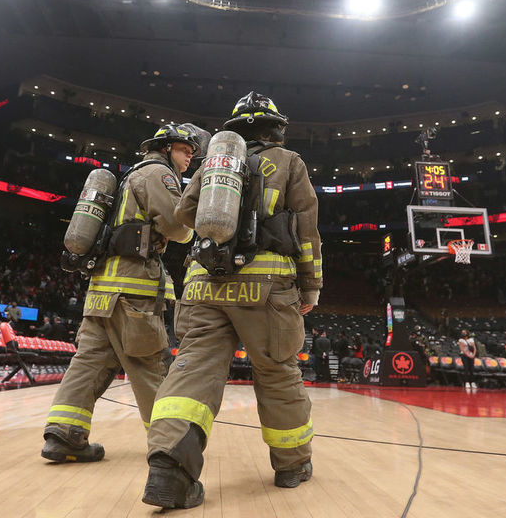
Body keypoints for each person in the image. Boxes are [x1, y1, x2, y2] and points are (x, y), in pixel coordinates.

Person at [143, 92, 322, 509]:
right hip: (268, 289)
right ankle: (291, 465)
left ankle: (170, 469)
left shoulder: (212, 162)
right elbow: (308, 235)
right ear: (276, 127)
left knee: (192, 370)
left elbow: (186, 214)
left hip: (204, 285)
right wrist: (311, 286)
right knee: (277, 372)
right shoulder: (290, 162)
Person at [40, 123, 200, 463]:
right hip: (134, 291)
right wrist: (191, 222)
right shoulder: (159, 174)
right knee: (149, 363)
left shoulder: (129, 176)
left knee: (88, 363)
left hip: (100, 290)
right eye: (187, 151)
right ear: (168, 146)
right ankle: (169, 447)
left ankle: (64, 435)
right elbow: (177, 228)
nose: (190, 158)